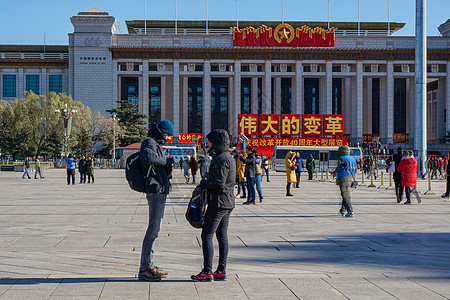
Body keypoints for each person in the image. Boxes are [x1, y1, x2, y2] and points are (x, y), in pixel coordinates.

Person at [191, 129, 236, 282]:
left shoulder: (221, 158)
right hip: (227, 202)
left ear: (216, 142)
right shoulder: (228, 157)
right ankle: (221, 271)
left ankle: (207, 271)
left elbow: (219, 183)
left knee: (207, 235)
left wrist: (203, 183)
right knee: (222, 236)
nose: (208, 144)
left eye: (210, 141)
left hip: (219, 202)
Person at [138, 120, 174, 282]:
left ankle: (149, 265)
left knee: (155, 230)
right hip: (155, 190)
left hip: (160, 189)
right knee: (153, 230)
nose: (167, 138)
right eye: (167, 135)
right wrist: (166, 162)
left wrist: (166, 169)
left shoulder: (156, 143)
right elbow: (149, 157)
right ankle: (145, 269)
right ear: (160, 132)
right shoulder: (149, 142)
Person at [334, 145, 357, 217]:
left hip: (343, 178)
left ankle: (350, 210)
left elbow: (338, 168)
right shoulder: (352, 159)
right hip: (351, 178)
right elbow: (356, 169)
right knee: (347, 194)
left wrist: (335, 172)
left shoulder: (341, 158)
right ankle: (343, 210)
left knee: (345, 195)